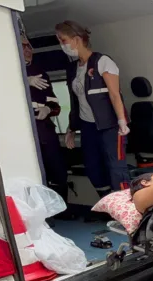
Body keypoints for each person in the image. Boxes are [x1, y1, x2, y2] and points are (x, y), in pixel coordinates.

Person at [56, 20, 131, 199]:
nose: (62, 45)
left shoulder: (102, 61)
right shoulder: (73, 69)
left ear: (76, 39)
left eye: (63, 40)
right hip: (88, 125)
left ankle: (126, 208)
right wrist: (71, 128)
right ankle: (108, 204)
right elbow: (76, 101)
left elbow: (114, 94)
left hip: (110, 125)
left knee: (116, 167)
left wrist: (122, 121)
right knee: (92, 167)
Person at [20, 21, 72, 220]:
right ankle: (40, 216)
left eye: (29, 46)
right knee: (33, 172)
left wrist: (47, 109)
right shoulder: (8, 70)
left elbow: (56, 105)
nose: (27, 50)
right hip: (23, 128)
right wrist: (24, 80)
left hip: (44, 127)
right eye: (23, 46)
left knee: (57, 168)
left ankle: (61, 211)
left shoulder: (41, 71)